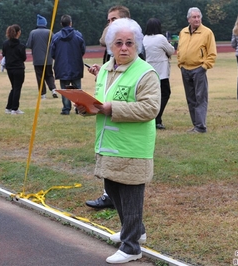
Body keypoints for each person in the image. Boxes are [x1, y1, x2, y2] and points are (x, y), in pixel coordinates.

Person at [76, 18, 160, 264]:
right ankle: (135, 231)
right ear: (111, 46)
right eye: (119, 43)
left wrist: (111, 108)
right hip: (108, 143)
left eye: (130, 43)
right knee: (113, 190)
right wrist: (84, 107)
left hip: (133, 147)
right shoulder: (104, 70)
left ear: (138, 46)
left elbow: (150, 108)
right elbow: (99, 102)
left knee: (131, 195)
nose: (124, 48)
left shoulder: (146, 72)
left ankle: (132, 246)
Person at [85, 5, 132, 209]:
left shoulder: (130, 46)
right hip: (107, 115)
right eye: (108, 20)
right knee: (108, 153)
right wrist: (100, 72)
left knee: (121, 159)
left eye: (113, 20)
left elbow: (130, 76)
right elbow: (113, 74)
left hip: (123, 113)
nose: (109, 23)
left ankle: (119, 202)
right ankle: (110, 195)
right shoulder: (111, 46)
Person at [177, 7, 216, 133]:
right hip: (185, 69)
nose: (197, 19)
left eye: (198, 17)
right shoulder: (183, 32)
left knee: (200, 98)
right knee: (190, 99)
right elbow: (180, 49)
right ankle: (196, 125)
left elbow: (212, 53)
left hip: (199, 69)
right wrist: (180, 64)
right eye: (194, 17)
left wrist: (204, 67)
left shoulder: (207, 33)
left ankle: (200, 126)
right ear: (188, 19)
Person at [143, 18, 175, 130]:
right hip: (161, 73)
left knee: (152, 96)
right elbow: (171, 50)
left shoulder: (144, 39)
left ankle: (153, 118)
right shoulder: (161, 38)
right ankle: (157, 118)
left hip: (148, 73)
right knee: (165, 94)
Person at [51, 14, 85, 115]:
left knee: (64, 89)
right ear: (71, 23)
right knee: (77, 88)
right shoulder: (78, 35)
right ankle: (79, 108)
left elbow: (52, 52)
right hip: (76, 65)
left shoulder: (56, 37)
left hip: (62, 66)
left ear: (61, 24)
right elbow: (82, 50)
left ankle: (66, 108)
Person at [26, 14, 57, 99]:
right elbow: (55, 43)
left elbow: (29, 44)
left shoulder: (32, 32)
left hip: (37, 60)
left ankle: (43, 94)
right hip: (48, 59)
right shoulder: (49, 32)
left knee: (40, 77)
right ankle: (53, 89)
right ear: (45, 24)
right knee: (49, 75)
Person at [2, 24, 27, 115]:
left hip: (10, 69)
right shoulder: (21, 45)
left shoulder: (5, 44)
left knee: (14, 88)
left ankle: (8, 107)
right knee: (17, 88)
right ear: (18, 33)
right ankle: (15, 108)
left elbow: (4, 54)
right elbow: (23, 58)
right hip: (18, 69)